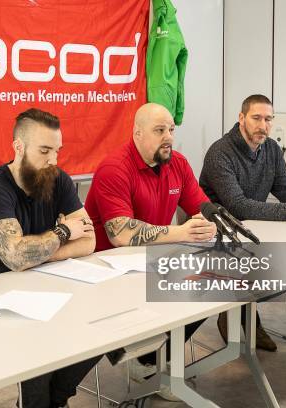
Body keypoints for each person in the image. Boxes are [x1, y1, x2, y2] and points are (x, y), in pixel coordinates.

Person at [0, 108, 98, 408]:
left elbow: (89, 240)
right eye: (45, 150)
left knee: (98, 325)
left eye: (57, 151)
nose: (54, 160)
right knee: (37, 342)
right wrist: (61, 232)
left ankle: (56, 399)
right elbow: (16, 257)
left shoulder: (57, 179)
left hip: (38, 287)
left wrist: (38, 254)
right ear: (18, 147)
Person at [84, 102, 216, 400]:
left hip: (151, 260)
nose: (168, 136)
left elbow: (203, 209)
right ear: (137, 133)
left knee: (210, 285)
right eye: (159, 130)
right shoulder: (114, 168)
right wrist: (182, 232)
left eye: (171, 129)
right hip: (107, 270)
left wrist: (208, 223)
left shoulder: (178, 164)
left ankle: (156, 360)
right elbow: (119, 234)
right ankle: (147, 362)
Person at [199, 93, 286, 351]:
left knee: (285, 267)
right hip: (218, 232)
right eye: (256, 118)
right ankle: (241, 319)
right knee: (265, 265)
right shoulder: (220, 153)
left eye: (268, 119)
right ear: (241, 118)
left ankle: (246, 319)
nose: (263, 125)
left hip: (254, 229)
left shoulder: (270, 148)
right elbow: (237, 206)